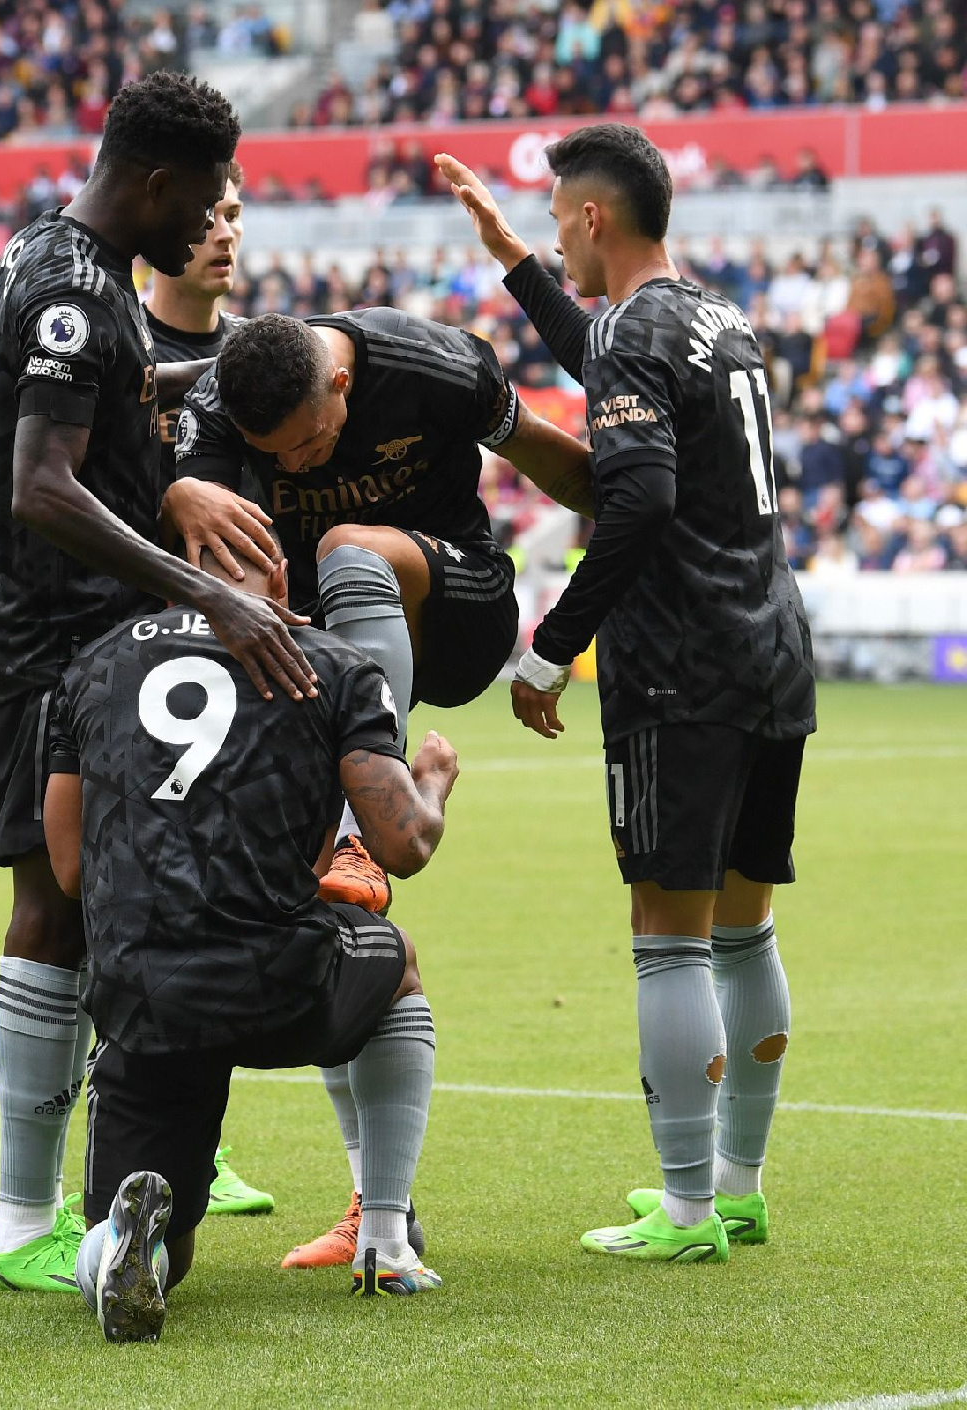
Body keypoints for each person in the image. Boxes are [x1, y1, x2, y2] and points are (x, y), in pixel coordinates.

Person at [0, 70, 317, 1295]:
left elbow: (105, 396)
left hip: (79, 638)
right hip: (41, 638)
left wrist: (230, 382)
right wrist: (207, 588)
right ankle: (21, 1218)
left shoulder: (65, 264)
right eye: (206, 196)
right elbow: (43, 486)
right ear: (156, 180)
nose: (210, 219)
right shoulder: (69, 287)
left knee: (110, 900)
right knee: (54, 901)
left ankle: (118, 1180)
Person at [436, 127, 815, 1263]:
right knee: (745, 934)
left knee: (670, 938)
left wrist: (553, 644)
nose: (553, 229)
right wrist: (513, 258)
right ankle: (736, 1190)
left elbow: (637, 502)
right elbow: (597, 347)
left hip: (681, 666)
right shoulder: (714, 317)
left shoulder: (639, 334)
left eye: (556, 217)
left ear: (596, 217)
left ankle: (688, 1208)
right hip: (769, 648)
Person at [165, 304, 593, 1266]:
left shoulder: (436, 366)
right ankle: (377, 1213)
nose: (302, 467)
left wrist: (632, 551)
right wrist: (180, 493)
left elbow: (558, 464)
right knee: (329, 925)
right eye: (284, 457)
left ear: (343, 387)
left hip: (455, 600)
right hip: (321, 648)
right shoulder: (222, 410)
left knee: (346, 542)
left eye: (314, 441)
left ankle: (371, 814)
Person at [42, 541, 457, 1340]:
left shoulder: (91, 668)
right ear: (280, 577)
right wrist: (433, 774)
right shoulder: (333, 663)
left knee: (173, 1249)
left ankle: (125, 1252)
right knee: (394, 959)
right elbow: (403, 844)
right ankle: (386, 1239)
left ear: (175, 571)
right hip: (278, 977)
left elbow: (67, 867)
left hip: (142, 995)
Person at [143, 155, 272, 1218]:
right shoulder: (116, 349)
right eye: (209, 215)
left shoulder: (253, 359)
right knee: (129, 896)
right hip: (132, 660)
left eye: (236, 215)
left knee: (218, 896)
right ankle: (135, 1127)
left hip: (235, 664)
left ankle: (204, 1145)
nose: (225, 231)